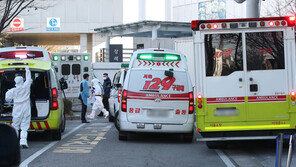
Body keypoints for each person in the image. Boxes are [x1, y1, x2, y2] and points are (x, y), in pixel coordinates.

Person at [5, 66, 32, 148]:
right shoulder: (26, 87)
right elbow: (29, 79)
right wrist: (27, 70)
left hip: (17, 107)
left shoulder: (12, 90)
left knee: (15, 125)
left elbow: (7, 98)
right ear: (22, 81)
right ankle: (23, 141)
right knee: (24, 126)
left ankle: (14, 142)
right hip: (26, 107)